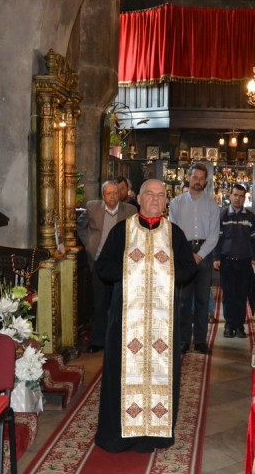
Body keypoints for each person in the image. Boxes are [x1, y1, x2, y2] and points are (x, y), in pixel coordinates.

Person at [94, 179, 197, 454]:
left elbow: (189, 270)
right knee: (121, 373)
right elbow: (103, 268)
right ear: (138, 198)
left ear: (166, 201)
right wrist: (132, 268)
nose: (154, 199)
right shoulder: (122, 232)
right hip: (126, 320)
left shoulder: (174, 234)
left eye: (161, 195)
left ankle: (156, 433)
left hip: (163, 323)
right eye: (149, 194)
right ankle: (119, 435)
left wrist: (166, 270)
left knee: (161, 372)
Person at [77, 180, 137, 352]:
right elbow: (81, 227)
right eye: (109, 193)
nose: (112, 196)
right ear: (103, 195)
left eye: (115, 192)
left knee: (121, 303)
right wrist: (89, 244)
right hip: (98, 262)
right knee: (100, 303)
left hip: (121, 264)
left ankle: (121, 341)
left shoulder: (130, 211)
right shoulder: (92, 207)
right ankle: (97, 341)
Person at [169, 163, 220, 354]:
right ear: (188, 178)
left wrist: (200, 254)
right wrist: (187, 254)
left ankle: (200, 341)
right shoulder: (176, 203)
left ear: (205, 181)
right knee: (183, 299)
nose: (197, 181)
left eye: (201, 178)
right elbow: (173, 232)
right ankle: (183, 340)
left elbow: (215, 234)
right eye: (194, 177)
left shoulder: (213, 206)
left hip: (204, 254)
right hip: (184, 252)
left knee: (202, 298)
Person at [213, 184, 255, 338]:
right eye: (235, 195)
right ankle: (229, 325)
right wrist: (216, 258)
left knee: (242, 295)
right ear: (230, 195)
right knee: (228, 296)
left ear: (244, 197)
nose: (238, 198)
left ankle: (240, 326)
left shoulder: (250, 217)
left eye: (241, 196)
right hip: (227, 261)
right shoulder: (222, 216)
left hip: (244, 262)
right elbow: (216, 239)